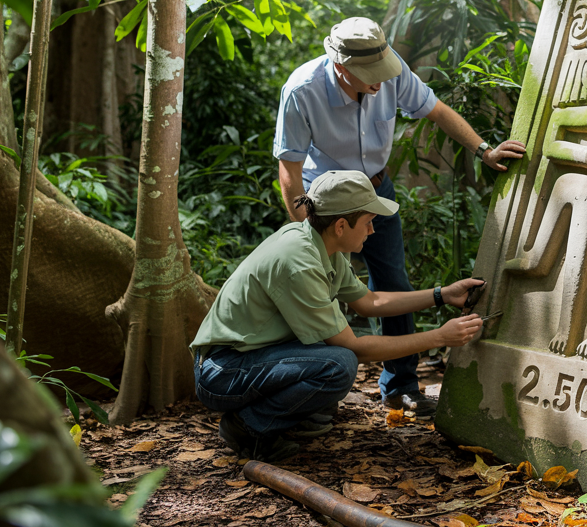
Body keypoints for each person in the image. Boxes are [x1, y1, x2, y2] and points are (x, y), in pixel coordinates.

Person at [273, 16, 524, 418]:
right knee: (320, 289)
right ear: (341, 67)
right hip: (327, 203)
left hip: (376, 191)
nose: (379, 82)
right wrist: (307, 230)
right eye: (369, 75)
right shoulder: (303, 90)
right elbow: (290, 168)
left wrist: (484, 150)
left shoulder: (391, 72)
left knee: (394, 282)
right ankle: (312, 389)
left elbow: (436, 111)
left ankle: (400, 386)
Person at [190, 170, 485, 461]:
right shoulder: (299, 262)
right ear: (341, 225)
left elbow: (369, 301)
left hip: (250, 358)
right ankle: (247, 427)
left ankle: (291, 418)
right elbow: (355, 348)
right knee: (339, 364)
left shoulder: (324, 245)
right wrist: (440, 337)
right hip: (223, 372)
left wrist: (442, 295)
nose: (372, 231)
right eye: (368, 222)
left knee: (330, 369)